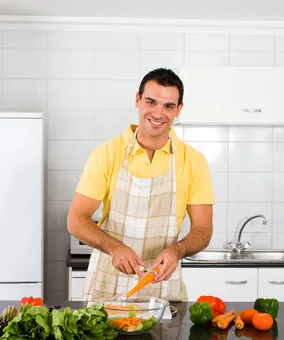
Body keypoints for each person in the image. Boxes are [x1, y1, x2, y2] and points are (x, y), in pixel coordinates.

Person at [67, 68, 215, 302]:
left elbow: (203, 228)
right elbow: (76, 219)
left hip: (162, 288)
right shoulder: (106, 154)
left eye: (168, 106)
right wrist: (114, 247)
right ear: (138, 100)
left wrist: (178, 250)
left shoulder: (193, 161)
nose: (158, 113)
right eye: (151, 102)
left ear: (179, 109)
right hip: (107, 285)